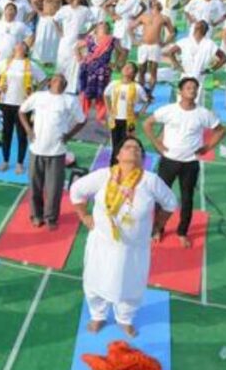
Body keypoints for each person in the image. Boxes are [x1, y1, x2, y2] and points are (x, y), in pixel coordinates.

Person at [71, 137, 177, 336]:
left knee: (131, 286)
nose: (133, 150)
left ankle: (125, 318)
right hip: (102, 243)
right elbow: (76, 190)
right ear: (118, 155)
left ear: (142, 158)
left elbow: (170, 203)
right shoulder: (103, 176)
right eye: (127, 147)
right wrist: (84, 215)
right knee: (94, 282)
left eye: (138, 149)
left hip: (133, 248)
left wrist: (157, 226)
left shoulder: (150, 180)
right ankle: (98, 315)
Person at [142, 77, 226, 247]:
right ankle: (158, 229)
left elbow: (221, 130)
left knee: (187, 198)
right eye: (188, 87)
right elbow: (147, 124)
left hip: (190, 162)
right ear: (180, 92)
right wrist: (157, 143)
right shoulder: (168, 110)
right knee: (161, 197)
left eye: (195, 88)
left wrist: (207, 147)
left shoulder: (203, 113)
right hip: (169, 160)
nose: (192, 90)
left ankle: (182, 232)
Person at [19, 73, 86, 228]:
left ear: (66, 84)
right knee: (35, 186)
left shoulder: (70, 100)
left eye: (62, 80)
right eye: (55, 78)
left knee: (54, 188)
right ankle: (36, 215)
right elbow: (22, 111)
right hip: (36, 150)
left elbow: (82, 120)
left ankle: (51, 218)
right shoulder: (38, 96)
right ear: (49, 82)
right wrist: (29, 130)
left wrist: (69, 135)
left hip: (57, 151)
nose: (58, 81)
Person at [0, 42, 47, 174]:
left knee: (22, 134)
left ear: (26, 50)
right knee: (6, 133)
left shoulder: (31, 65)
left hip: (23, 105)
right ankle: (5, 160)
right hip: (5, 102)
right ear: (14, 49)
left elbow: (44, 79)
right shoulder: (6, 62)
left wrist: (35, 92)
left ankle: (19, 163)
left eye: (23, 45)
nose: (20, 47)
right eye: (17, 45)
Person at [164, 20, 226, 102]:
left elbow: (224, 58)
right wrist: (177, 65)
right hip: (186, 75)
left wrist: (211, 69)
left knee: (195, 102)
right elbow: (170, 52)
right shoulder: (185, 41)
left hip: (199, 77)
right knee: (182, 101)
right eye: (197, 25)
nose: (196, 26)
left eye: (199, 25)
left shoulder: (209, 44)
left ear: (203, 30)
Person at [103, 63, 150, 164]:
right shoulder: (114, 84)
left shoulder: (137, 87)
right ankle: (114, 165)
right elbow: (106, 95)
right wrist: (108, 109)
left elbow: (147, 100)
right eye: (125, 67)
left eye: (130, 68)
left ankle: (127, 163)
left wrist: (140, 112)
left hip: (129, 121)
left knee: (127, 143)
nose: (126, 69)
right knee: (115, 143)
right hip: (115, 119)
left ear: (133, 73)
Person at [76, 21, 116, 121]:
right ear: (96, 28)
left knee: (101, 93)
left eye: (105, 25)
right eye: (100, 25)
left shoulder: (112, 40)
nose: (103, 27)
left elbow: (122, 52)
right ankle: (82, 115)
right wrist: (80, 59)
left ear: (108, 28)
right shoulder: (90, 38)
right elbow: (77, 47)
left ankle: (100, 116)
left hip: (103, 71)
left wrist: (116, 63)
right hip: (88, 69)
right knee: (85, 93)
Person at [132, 0, 174, 93]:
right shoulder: (144, 17)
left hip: (155, 45)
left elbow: (172, 32)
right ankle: (141, 91)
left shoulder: (164, 18)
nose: (156, 4)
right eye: (155, 3)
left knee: (153, 69)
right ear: (151, 6)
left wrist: (165, 43)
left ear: (161, 7)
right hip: (144, 45)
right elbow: (131, 27)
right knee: (142, 69)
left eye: (158, 3)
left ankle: (150, 92)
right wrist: (134, 40)